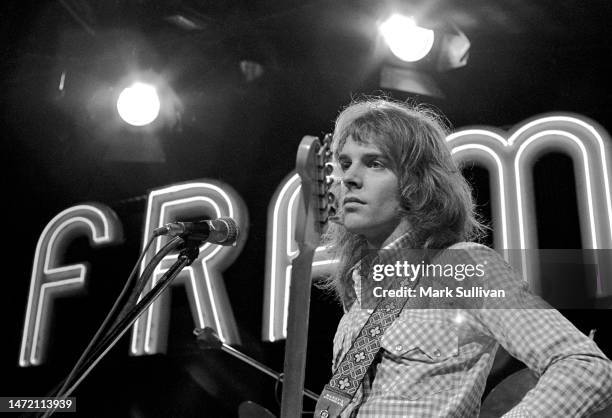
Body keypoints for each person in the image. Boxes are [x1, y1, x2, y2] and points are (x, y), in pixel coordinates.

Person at [317, 98, 612, 417]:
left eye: (374, 163)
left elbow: (585, 366)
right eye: (345, 164)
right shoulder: (357, 298)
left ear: (417, 183)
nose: (349, 178)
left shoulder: (462, 267)